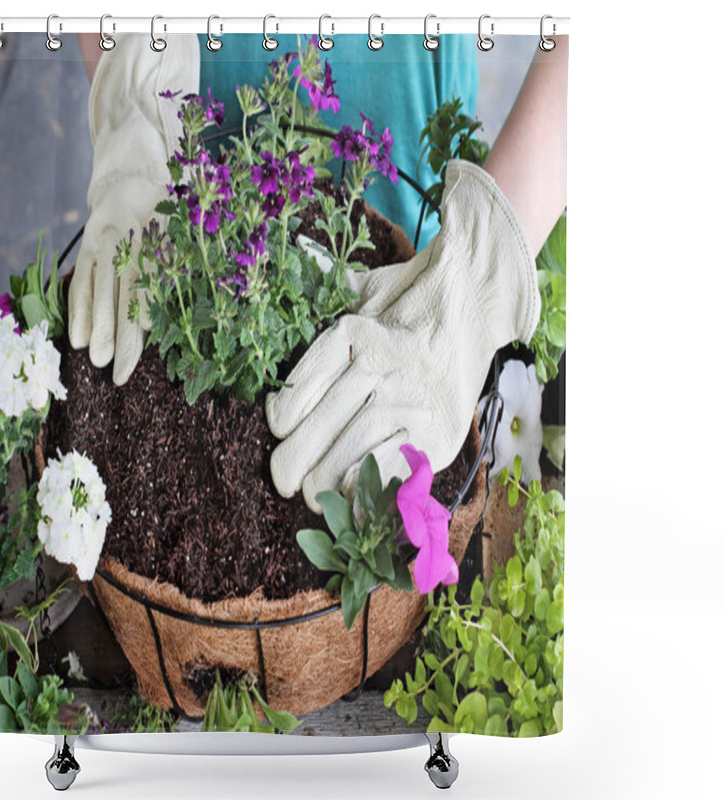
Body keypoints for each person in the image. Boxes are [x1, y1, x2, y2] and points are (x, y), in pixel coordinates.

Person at [71, 32, 567, 511]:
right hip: (195, 101)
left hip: (401, 79)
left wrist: (482, 269)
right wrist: (134, 88)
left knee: (403, 306)